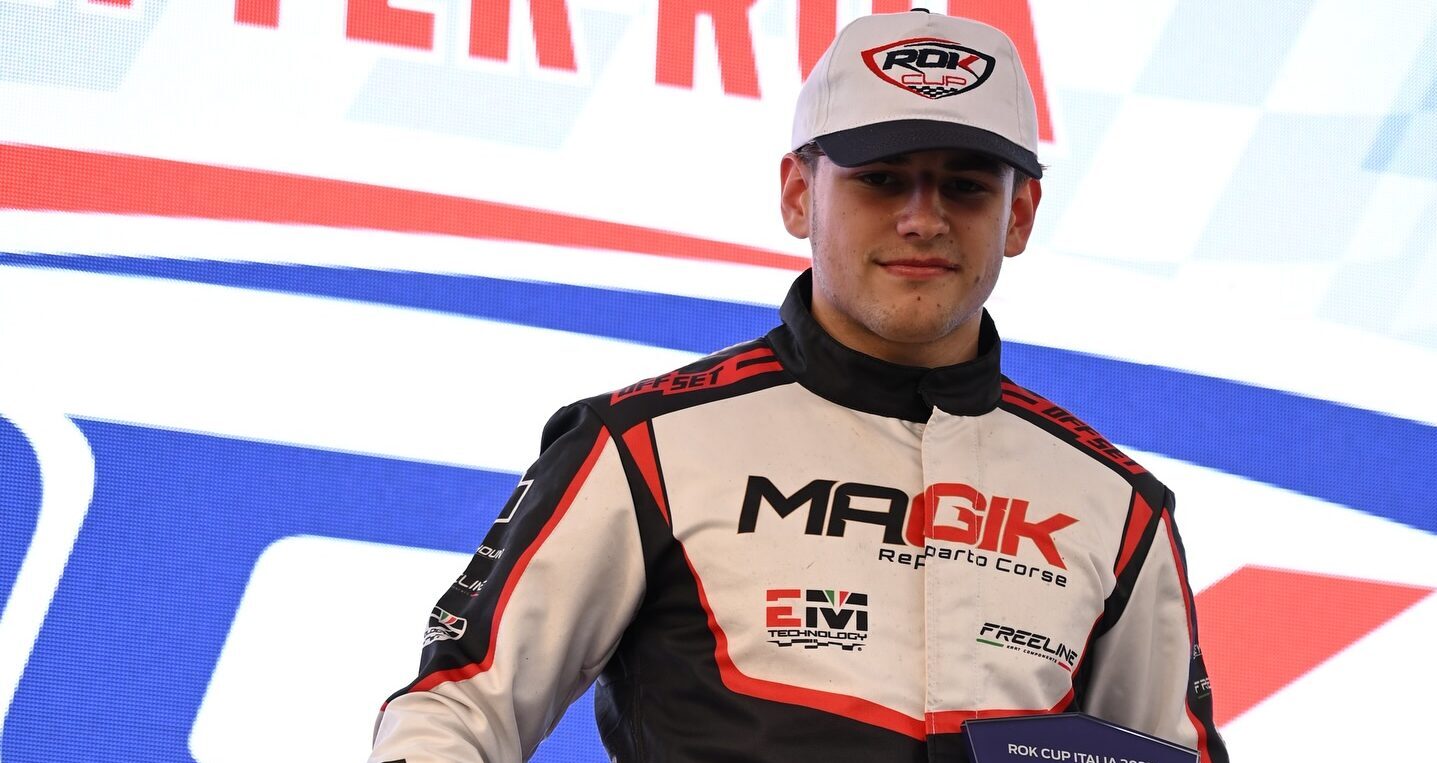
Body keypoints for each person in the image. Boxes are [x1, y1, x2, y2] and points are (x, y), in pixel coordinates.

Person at [370, 10, 1228, 762]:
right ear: (796, 194)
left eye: (965, 186)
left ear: (1020, 215)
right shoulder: (644, 446)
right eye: (879, 179)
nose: (922, 217)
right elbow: (455, 710)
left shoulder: (1116, 504)